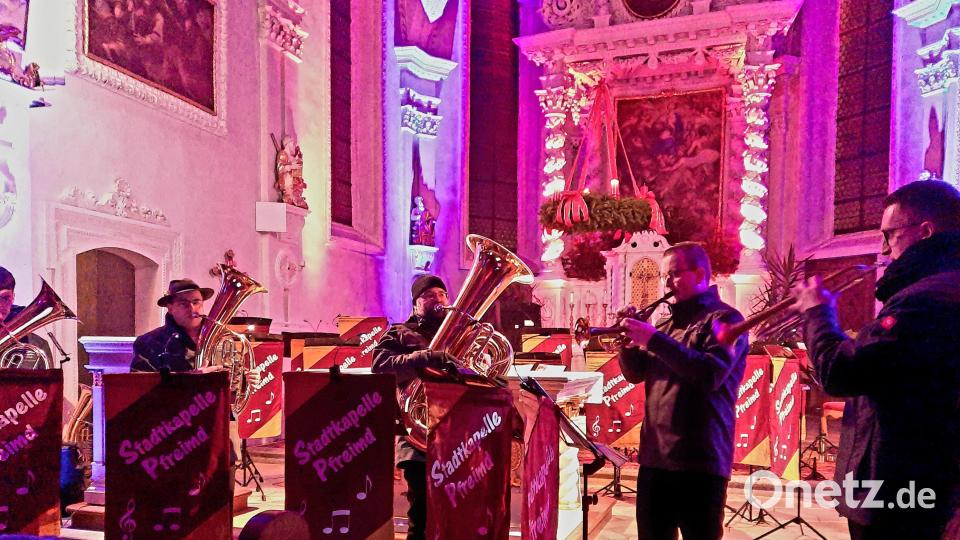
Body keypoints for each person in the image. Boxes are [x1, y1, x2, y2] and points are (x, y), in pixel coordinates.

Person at [791, 180, 960, 539]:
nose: (883, 249)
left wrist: (818, 313)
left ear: (925, 232)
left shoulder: (924, 299)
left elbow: (841, 373)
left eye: (890, 235)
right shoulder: (939, 288)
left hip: (901, 486)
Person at [617, 242, 748, 539]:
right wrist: (627, 346)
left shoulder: (725, 319)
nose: (666, 283)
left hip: (700, 463)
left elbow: (709, 374)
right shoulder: (664, 325)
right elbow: (635, 374)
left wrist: (652, 340)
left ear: (700, 274)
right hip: (654, 461)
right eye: (665, 276)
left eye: (674, 274)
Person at [372, 274, 458, 540]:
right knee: (420, 516)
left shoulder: (461, 333)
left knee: (455, 512)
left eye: (442, 294)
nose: (438, 300)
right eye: (429, 296)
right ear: (415, 304)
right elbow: (380, 367)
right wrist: (424, 358)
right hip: (417, 438)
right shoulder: (399, 332)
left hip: (456, 434)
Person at [130, 278, 214, 372]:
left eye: (196, 302)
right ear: (170, 309)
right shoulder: (147, 342)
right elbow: (141, 384)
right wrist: (191, 381)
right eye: (183, 304)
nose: (192, 309)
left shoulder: (221, 336)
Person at [0, 266, 52, 364]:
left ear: (13, 298)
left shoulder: (37, 345)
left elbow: (49, 379)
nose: (0, 305)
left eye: (5, 298)